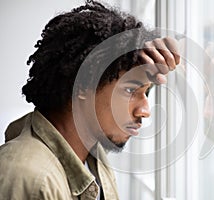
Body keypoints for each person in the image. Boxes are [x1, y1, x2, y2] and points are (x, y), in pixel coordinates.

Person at [0, 1, 180, 200]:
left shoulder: (89, 153)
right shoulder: (30, 178)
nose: (145, 110)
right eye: (130, 90)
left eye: (147, 92)